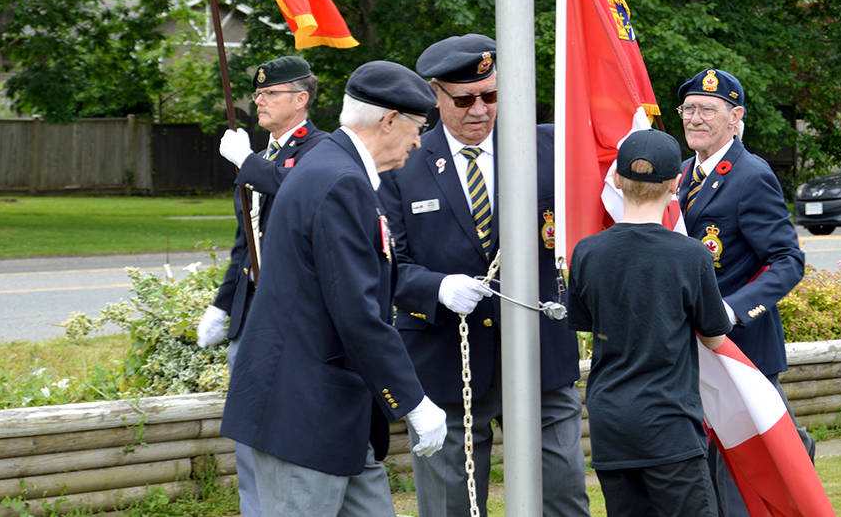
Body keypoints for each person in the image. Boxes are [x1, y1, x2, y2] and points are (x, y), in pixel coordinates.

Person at [221, 60, 448, 517]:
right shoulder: (339, 181)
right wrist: (414, 401)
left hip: (337, 411)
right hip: (304, 415)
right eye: (418, 127)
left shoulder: (335, 169)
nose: (420, 141)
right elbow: (356, 312)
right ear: (389, 121)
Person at [378, 33, 589, 517]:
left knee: (561, 493)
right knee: (453, 502)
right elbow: (385, 266)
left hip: (540, 354)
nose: (480, 110)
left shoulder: (548, 148)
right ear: (435, 94)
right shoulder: (402, 163)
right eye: (465, 99)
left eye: (491, 96)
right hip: (445, 356)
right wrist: (436, 287)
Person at [568, 129, 731, 517]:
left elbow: (585, 321)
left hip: (611, 421)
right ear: (676, 183)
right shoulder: (691, 256)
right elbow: (713, 334)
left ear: (619, 181)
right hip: (669, 422)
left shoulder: (587, 252)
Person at [195, 55, 327, 517]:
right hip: (253, 309)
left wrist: (247, 162)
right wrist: (222, 305)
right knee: (247, 426)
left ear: (301, 99)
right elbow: (245, 241)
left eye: (270, 94)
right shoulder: (263, 156)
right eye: (258, 93)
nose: (259, 101)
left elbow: (298, 190)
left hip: (296, 315)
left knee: (289, 424)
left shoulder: (321, 150)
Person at [675, 67, 809, 517]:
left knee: (751, 474)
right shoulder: (679, 178)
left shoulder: (751, 175)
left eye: (707, 110)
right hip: (692, 351)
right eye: (689, 108)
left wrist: (729, 312)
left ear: (736, 119)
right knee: (705, 473)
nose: (695, 118)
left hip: (741, 348)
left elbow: (787, 261)